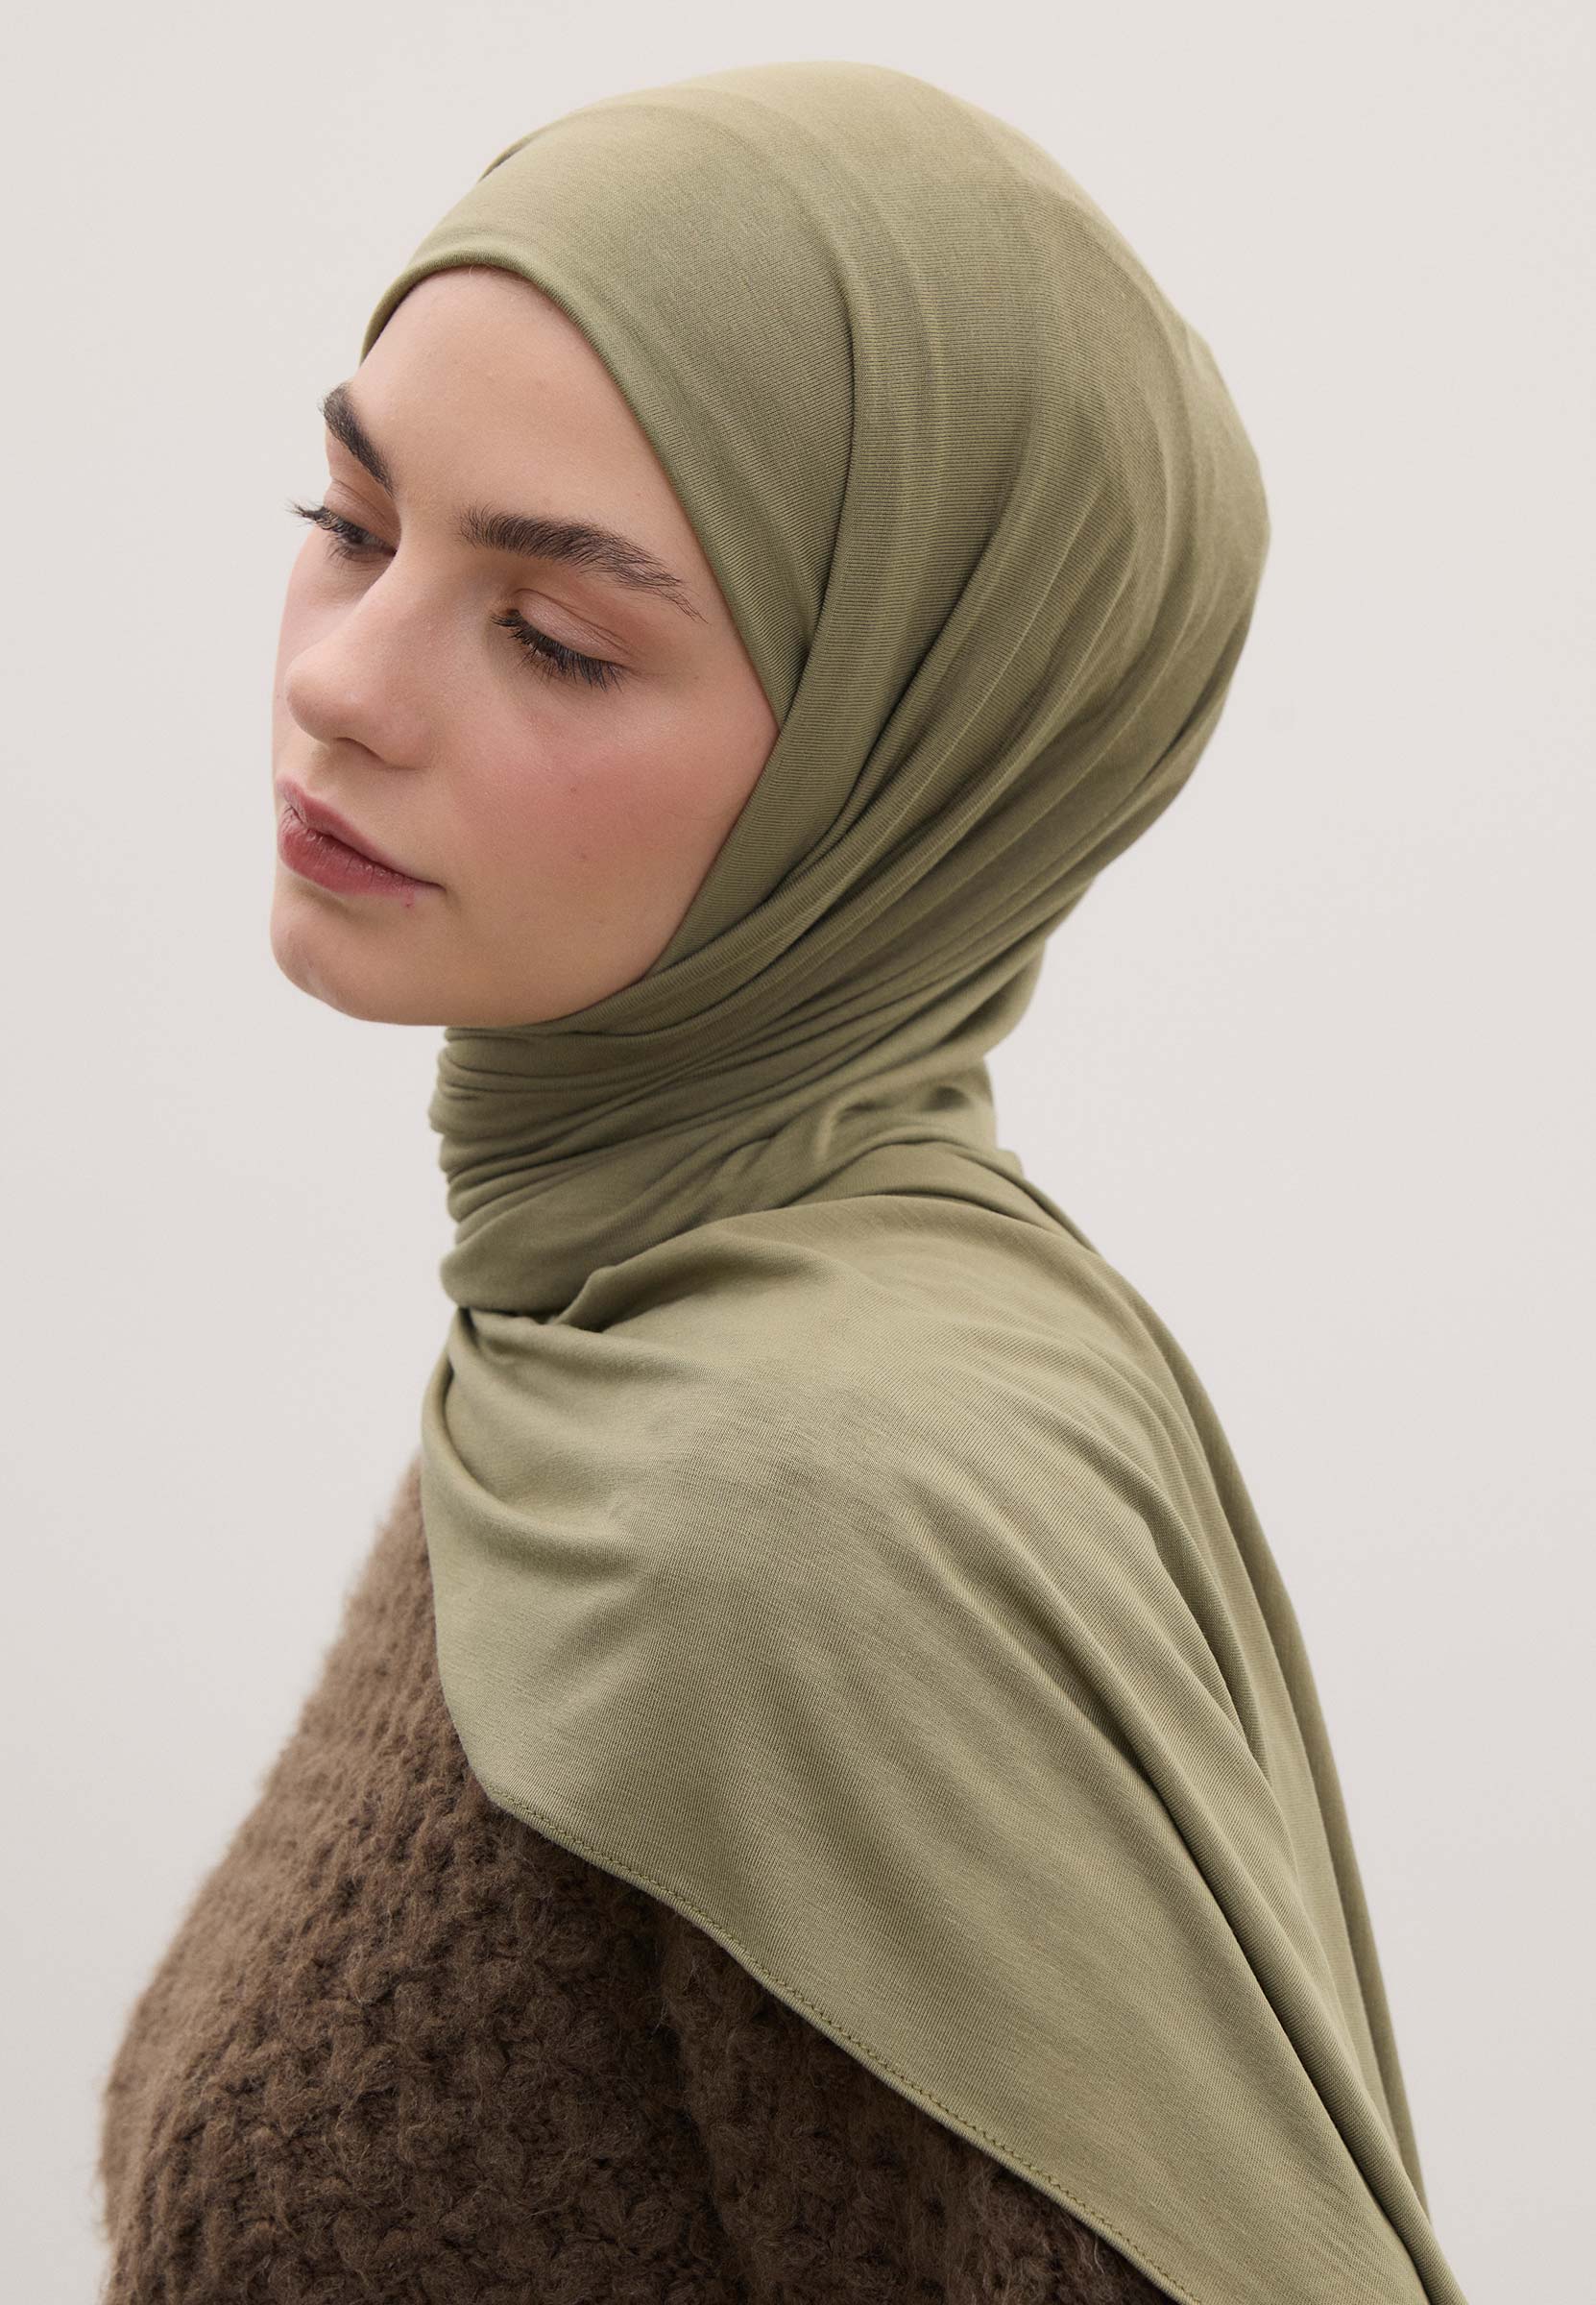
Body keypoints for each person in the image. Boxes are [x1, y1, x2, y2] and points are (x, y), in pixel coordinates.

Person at [94, 60, 1471, 2305]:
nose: (342, 681)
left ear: (898, 765)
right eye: (347, 520)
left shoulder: (799, 1508)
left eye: (557, 636)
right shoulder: (600, 1329)